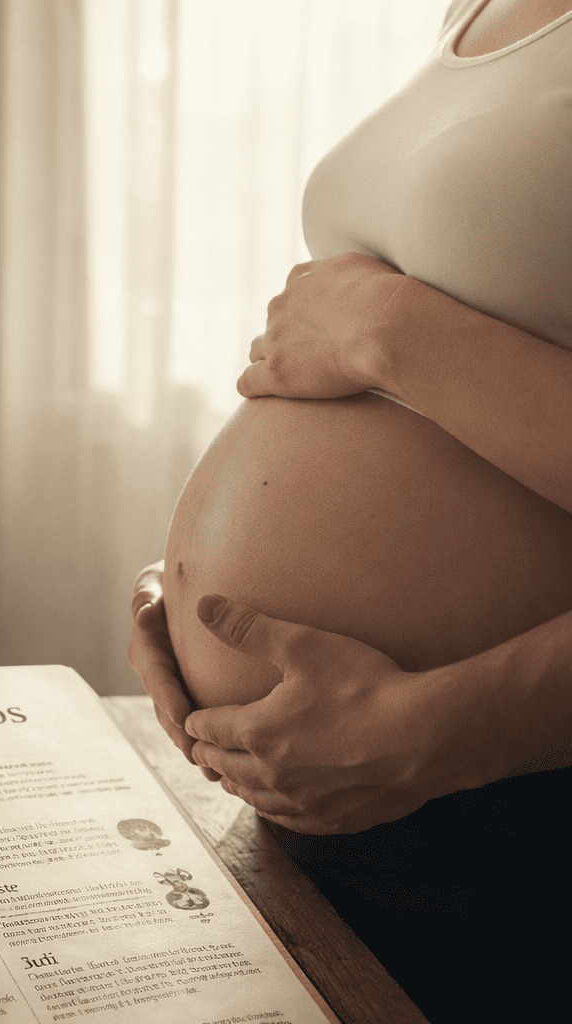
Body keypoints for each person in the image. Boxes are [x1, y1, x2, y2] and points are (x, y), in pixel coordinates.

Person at [129, 1, 572, 1018]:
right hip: (325, 790)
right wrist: (193, 593)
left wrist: (443, 729)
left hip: (510, 803)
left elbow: (395, 341)